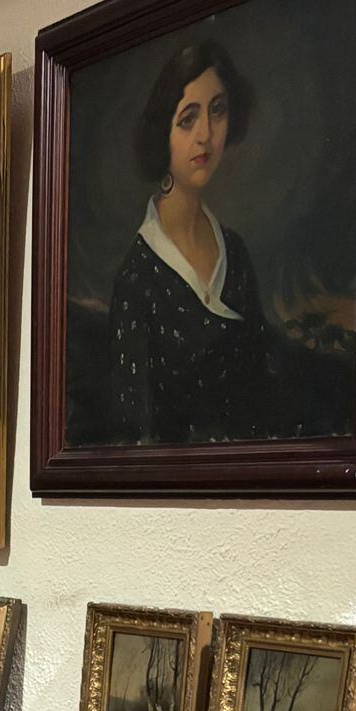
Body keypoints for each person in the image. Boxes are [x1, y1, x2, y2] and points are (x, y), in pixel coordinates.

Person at [109, 42, 277, 445]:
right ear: (160, 133)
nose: (205, 135)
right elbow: (135, 430)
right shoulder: (137, 278)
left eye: (217, 111)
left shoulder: (233, 253)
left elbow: (261, 393)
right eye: (187, 120)